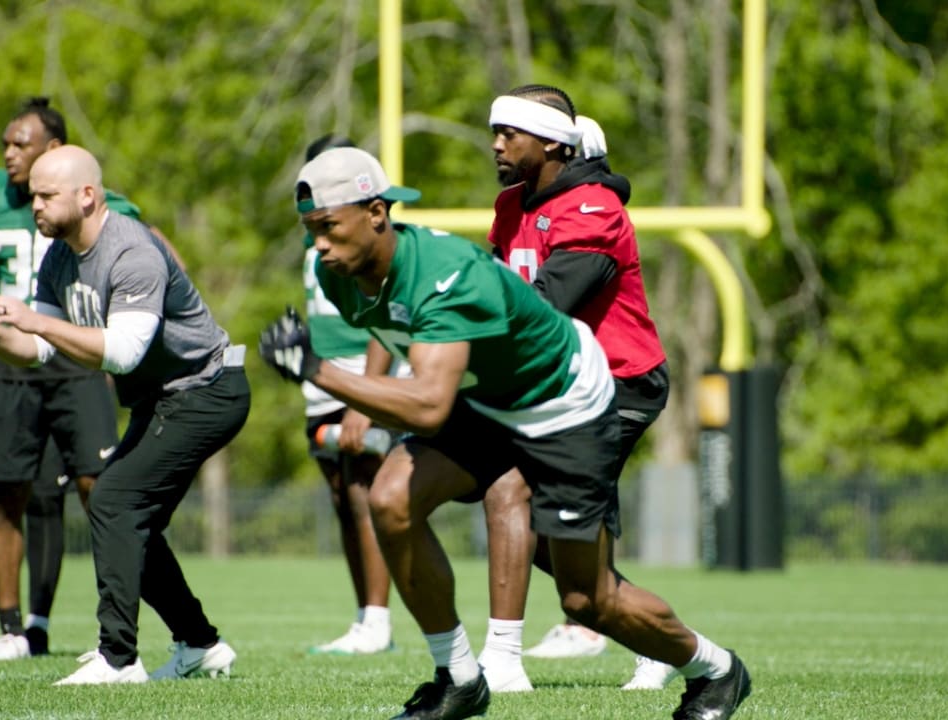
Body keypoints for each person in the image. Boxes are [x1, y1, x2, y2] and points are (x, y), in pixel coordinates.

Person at [259, 146, 750, 719]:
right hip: (488, 397)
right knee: (390, 499)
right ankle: (459, 679)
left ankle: (716, 669)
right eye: (311, 231)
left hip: (562, 403)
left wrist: (318, 371)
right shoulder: (337, 274)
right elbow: (403, 342)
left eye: (328, 227)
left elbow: (428, 407)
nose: (318, 245)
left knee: (587, 600)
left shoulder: (446, 275)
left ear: (376, 213)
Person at [0, 145, 250, 685]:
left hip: (208, 389)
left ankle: (118, 657)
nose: (34, 205)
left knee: (112, 500)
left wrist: (35, 323)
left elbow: (123, 353)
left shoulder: (133, 250)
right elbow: (37, 350)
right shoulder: (58, 257)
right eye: (32, 195)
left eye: (46, 195)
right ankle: (200, 644)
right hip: (165, 398)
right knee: (131, 523)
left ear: (87, 195)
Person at [476, 85, 678, 692]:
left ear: (553, 142)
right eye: (495, 132)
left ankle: (511, 655)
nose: (496, 145)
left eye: (510, 133)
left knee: (518, 496)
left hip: (617, 382)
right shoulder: (510, 206)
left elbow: (545, 307)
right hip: (553, 380)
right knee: (534, 525)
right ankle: (652, 640)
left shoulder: (592, 207)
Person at [0, 97, 136, 660]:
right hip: (7, 358)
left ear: (55, 150)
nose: (9, 154)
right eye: (6, 144)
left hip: (73, 356)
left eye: (21, 143)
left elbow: (148, 249)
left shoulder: (96, 203)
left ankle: (111, 627)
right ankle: (9, 628)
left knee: (99, 487)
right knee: (5, 490)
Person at [300, 134, 395, 656]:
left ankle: (378, 620)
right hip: (324, 378)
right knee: (342, 497)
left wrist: (365, 397)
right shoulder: (316, 240)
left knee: (365, 493)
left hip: (361, 374)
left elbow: (383, 318)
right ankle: (364, 617)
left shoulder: (363, 236)